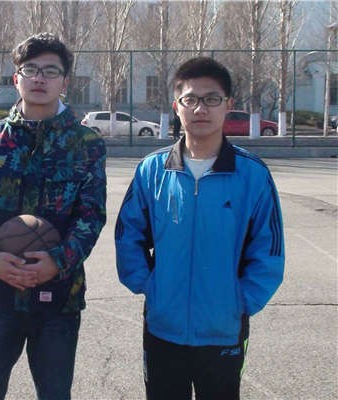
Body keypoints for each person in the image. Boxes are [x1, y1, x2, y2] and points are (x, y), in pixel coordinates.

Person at [115, 57, 284, 400]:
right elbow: (128, 235)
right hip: (163, 327)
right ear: (176, 106)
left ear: (228, 105)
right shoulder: (152, 171)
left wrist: (241, 300)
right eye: (190, 99)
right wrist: (150, 286)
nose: (200, 108)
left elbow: (268, 249)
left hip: (223, 330)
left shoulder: (252, 174)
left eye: (211, 99)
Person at [0, 32, 107, 400]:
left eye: (50, 71)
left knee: (55, 394)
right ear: (16, 78)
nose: (40, 78)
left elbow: (91, 215)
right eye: (31, 70)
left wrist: (58, 261)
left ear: (65, 82)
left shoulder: (86, 144)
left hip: (59, 295)